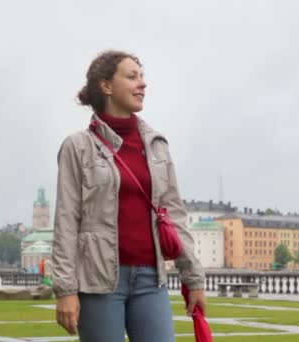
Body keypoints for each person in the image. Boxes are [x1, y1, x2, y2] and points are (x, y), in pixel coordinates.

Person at [52, 50, 206, 342]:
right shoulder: (77, 146)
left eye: (142, 76)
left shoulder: (157, 145)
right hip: (99, 283)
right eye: (132, 76)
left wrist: (193, 279)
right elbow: (66, 221)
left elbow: (174, 215)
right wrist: (66, 291)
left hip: (152, 279)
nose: (142, 84)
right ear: (106, 85)